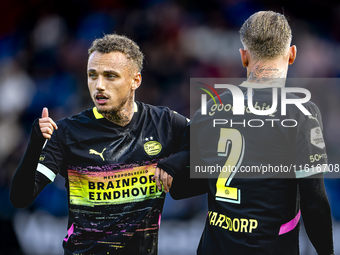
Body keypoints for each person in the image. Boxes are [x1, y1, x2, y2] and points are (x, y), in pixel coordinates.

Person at [156, 11, 334, 255]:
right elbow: (314, 202)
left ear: (243, 56)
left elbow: (179, 188)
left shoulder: (209, 109)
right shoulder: (301, 112)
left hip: (214, 247)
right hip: (271, 248)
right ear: (292, 54)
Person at [10, 34, 187, 255]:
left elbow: (210, 142)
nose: (99, 86)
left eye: (110, 76)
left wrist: (175, 163)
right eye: (92, 75)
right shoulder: (66, 132)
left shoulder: (164, 123)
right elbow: (20, 199)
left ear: (135, 80)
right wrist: (35, 145)